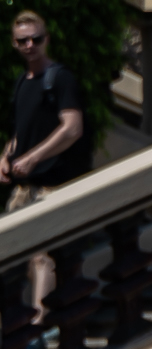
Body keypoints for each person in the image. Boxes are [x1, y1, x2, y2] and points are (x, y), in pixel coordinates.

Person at [6, 10, 91, 317]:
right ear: (14, 44)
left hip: (52, 182)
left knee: (42, 256)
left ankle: (39, 325)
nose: (30, 45)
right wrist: (6, 157)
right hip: (24, 185)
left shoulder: (60, 78)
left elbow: (72, 127)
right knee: (22, 254)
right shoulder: (23, 82)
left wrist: (33, 157)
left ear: (46, 40)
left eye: (36, 39)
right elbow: (22, 131)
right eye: (23, 41)